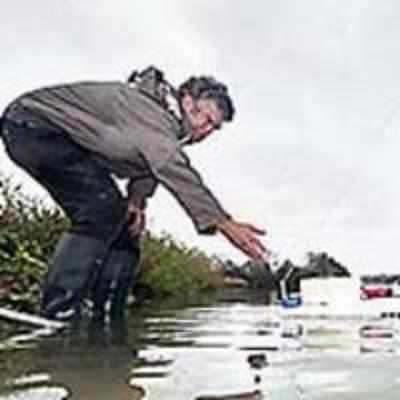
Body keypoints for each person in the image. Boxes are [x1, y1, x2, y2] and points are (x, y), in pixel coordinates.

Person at [0, 66, 268, 322]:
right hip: (32, 126)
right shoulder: (153, 111)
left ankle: (107, 317)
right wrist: (223, 222)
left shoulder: (165, 128)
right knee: (100, 213)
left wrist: (137, 201)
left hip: (65, 143)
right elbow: (168, 163)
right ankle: (58, 312)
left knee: (126, 227)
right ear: (187, 102)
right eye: (206, 120)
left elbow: (147, 165)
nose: (206, 132)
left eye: (214, 128)